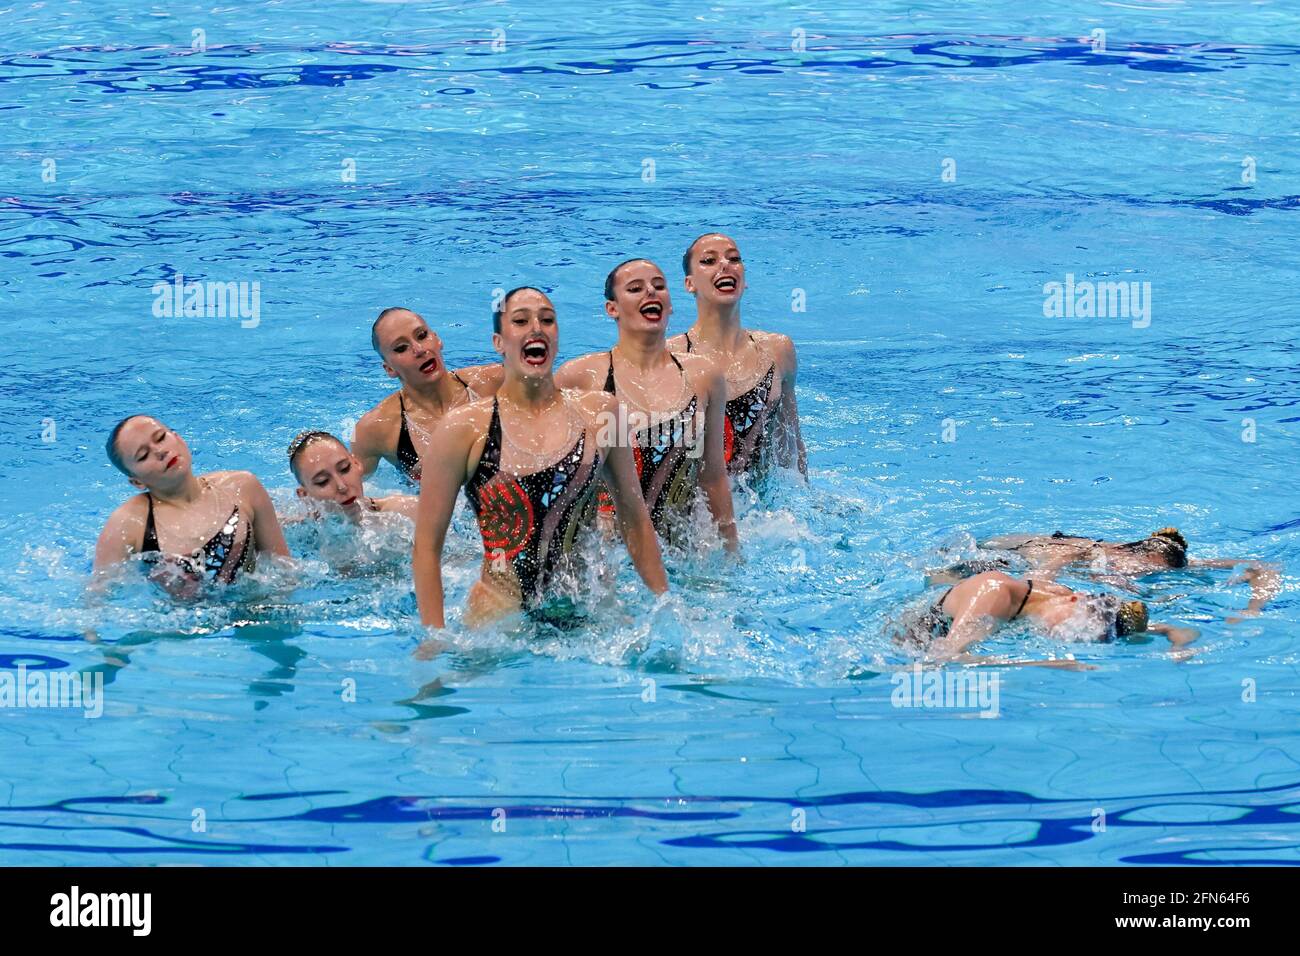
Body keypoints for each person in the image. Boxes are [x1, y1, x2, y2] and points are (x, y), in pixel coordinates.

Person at [413, 287, 669, 628]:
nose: (536, 328)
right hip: (501, 615)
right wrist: (434, 637)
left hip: (586, 603)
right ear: (499, 343)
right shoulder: (463, 429)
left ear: (557, 337)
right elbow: (428, 547)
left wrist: (666, 605)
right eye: (520, 321)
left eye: (547, 320)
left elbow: (635, 519)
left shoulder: (601, 413)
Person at [555, 258, 737, 550]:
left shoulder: (704, 377)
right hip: (609, 552)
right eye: (635, 288)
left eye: (659, 286)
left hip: (681, 547)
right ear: (612, 309)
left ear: (671, 305)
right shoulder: (580, 378)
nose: (651, 293)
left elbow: (713, 476)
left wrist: (731, 552)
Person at [92, 415, 289, 596]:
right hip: (182, 626)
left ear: (179, 439)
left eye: (161, 437)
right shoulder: (128, 524)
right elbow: (97, 598)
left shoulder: (243, 487)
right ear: (137, 482)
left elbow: (285, 568)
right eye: (143, 455)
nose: (160, 452)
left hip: (252, 606)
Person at [666, 232, 806, 480]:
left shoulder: (778, 350)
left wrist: (808, 501)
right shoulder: (669, 356)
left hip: (759, 512)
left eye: (734, 259)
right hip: (692, 510)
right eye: (709, 261)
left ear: (744, 279)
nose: (724, 265)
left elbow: (790, 446)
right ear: (690, 284)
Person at [931, 527, 1281, 612]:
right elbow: (1036, 583)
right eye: (1136, 570)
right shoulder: (1077, 553)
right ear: (1131, 552)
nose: (1136, 577)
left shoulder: (1162, 561)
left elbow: (1264, 566)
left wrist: (1252, 610)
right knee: (945, 580)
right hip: (997, 552)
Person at [900, 570, 1199, 663]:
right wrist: (1043, 663)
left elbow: (1179, 630)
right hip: (911, 635)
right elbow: (943, 656)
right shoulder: (992, 597)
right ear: (1075, 599)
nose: (1066, 633)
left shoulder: (1057, 596)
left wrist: (1176, 641)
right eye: (1072, 625)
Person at [352, 307, 504, 484]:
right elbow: (350, 495)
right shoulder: (375, 429)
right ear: (389, 369)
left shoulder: (494, 382)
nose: (418, 349)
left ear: (438, 339)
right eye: (401, 348)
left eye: (422, 335)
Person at [287, 430, 418, 521]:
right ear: (304, 495)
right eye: (323, 481)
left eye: (345, 469)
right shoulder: (299, 529)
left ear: (357, 464)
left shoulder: (405, 513)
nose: (342, 486)